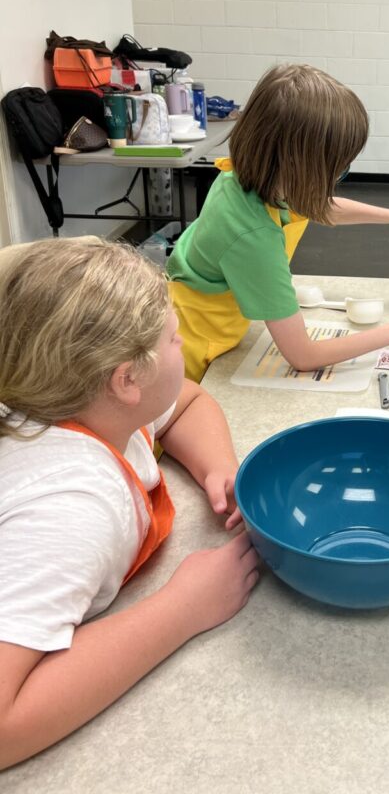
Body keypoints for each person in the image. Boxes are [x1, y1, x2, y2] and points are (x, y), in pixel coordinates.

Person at [0, 238, 261, 769]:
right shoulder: (72, 509)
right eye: (173, 337)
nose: (182, 342)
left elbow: (186, 401)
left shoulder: (78, 394)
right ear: (127, 379)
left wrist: (219, 467)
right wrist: (183, 608)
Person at [167, 63, 389, 382]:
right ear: (297, 167)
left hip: (200, 318)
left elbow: (314, 205)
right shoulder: (252, 235)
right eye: (336, 170)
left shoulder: (249, 177)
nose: (336, 178)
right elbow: (303, 356)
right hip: (195, 354)